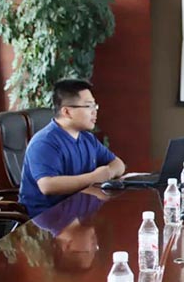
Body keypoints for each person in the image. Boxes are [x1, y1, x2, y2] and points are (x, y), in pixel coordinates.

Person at [19, 79, 125, 217]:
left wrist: (108, 173)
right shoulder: (44, 142)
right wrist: (94, 178)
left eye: (95, 106)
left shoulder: (87, 138)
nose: (94, 111)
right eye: (88, 106)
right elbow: (47, 185)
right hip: (46, 219)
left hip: (78, 213)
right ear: (67, 112)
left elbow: (118, 164)